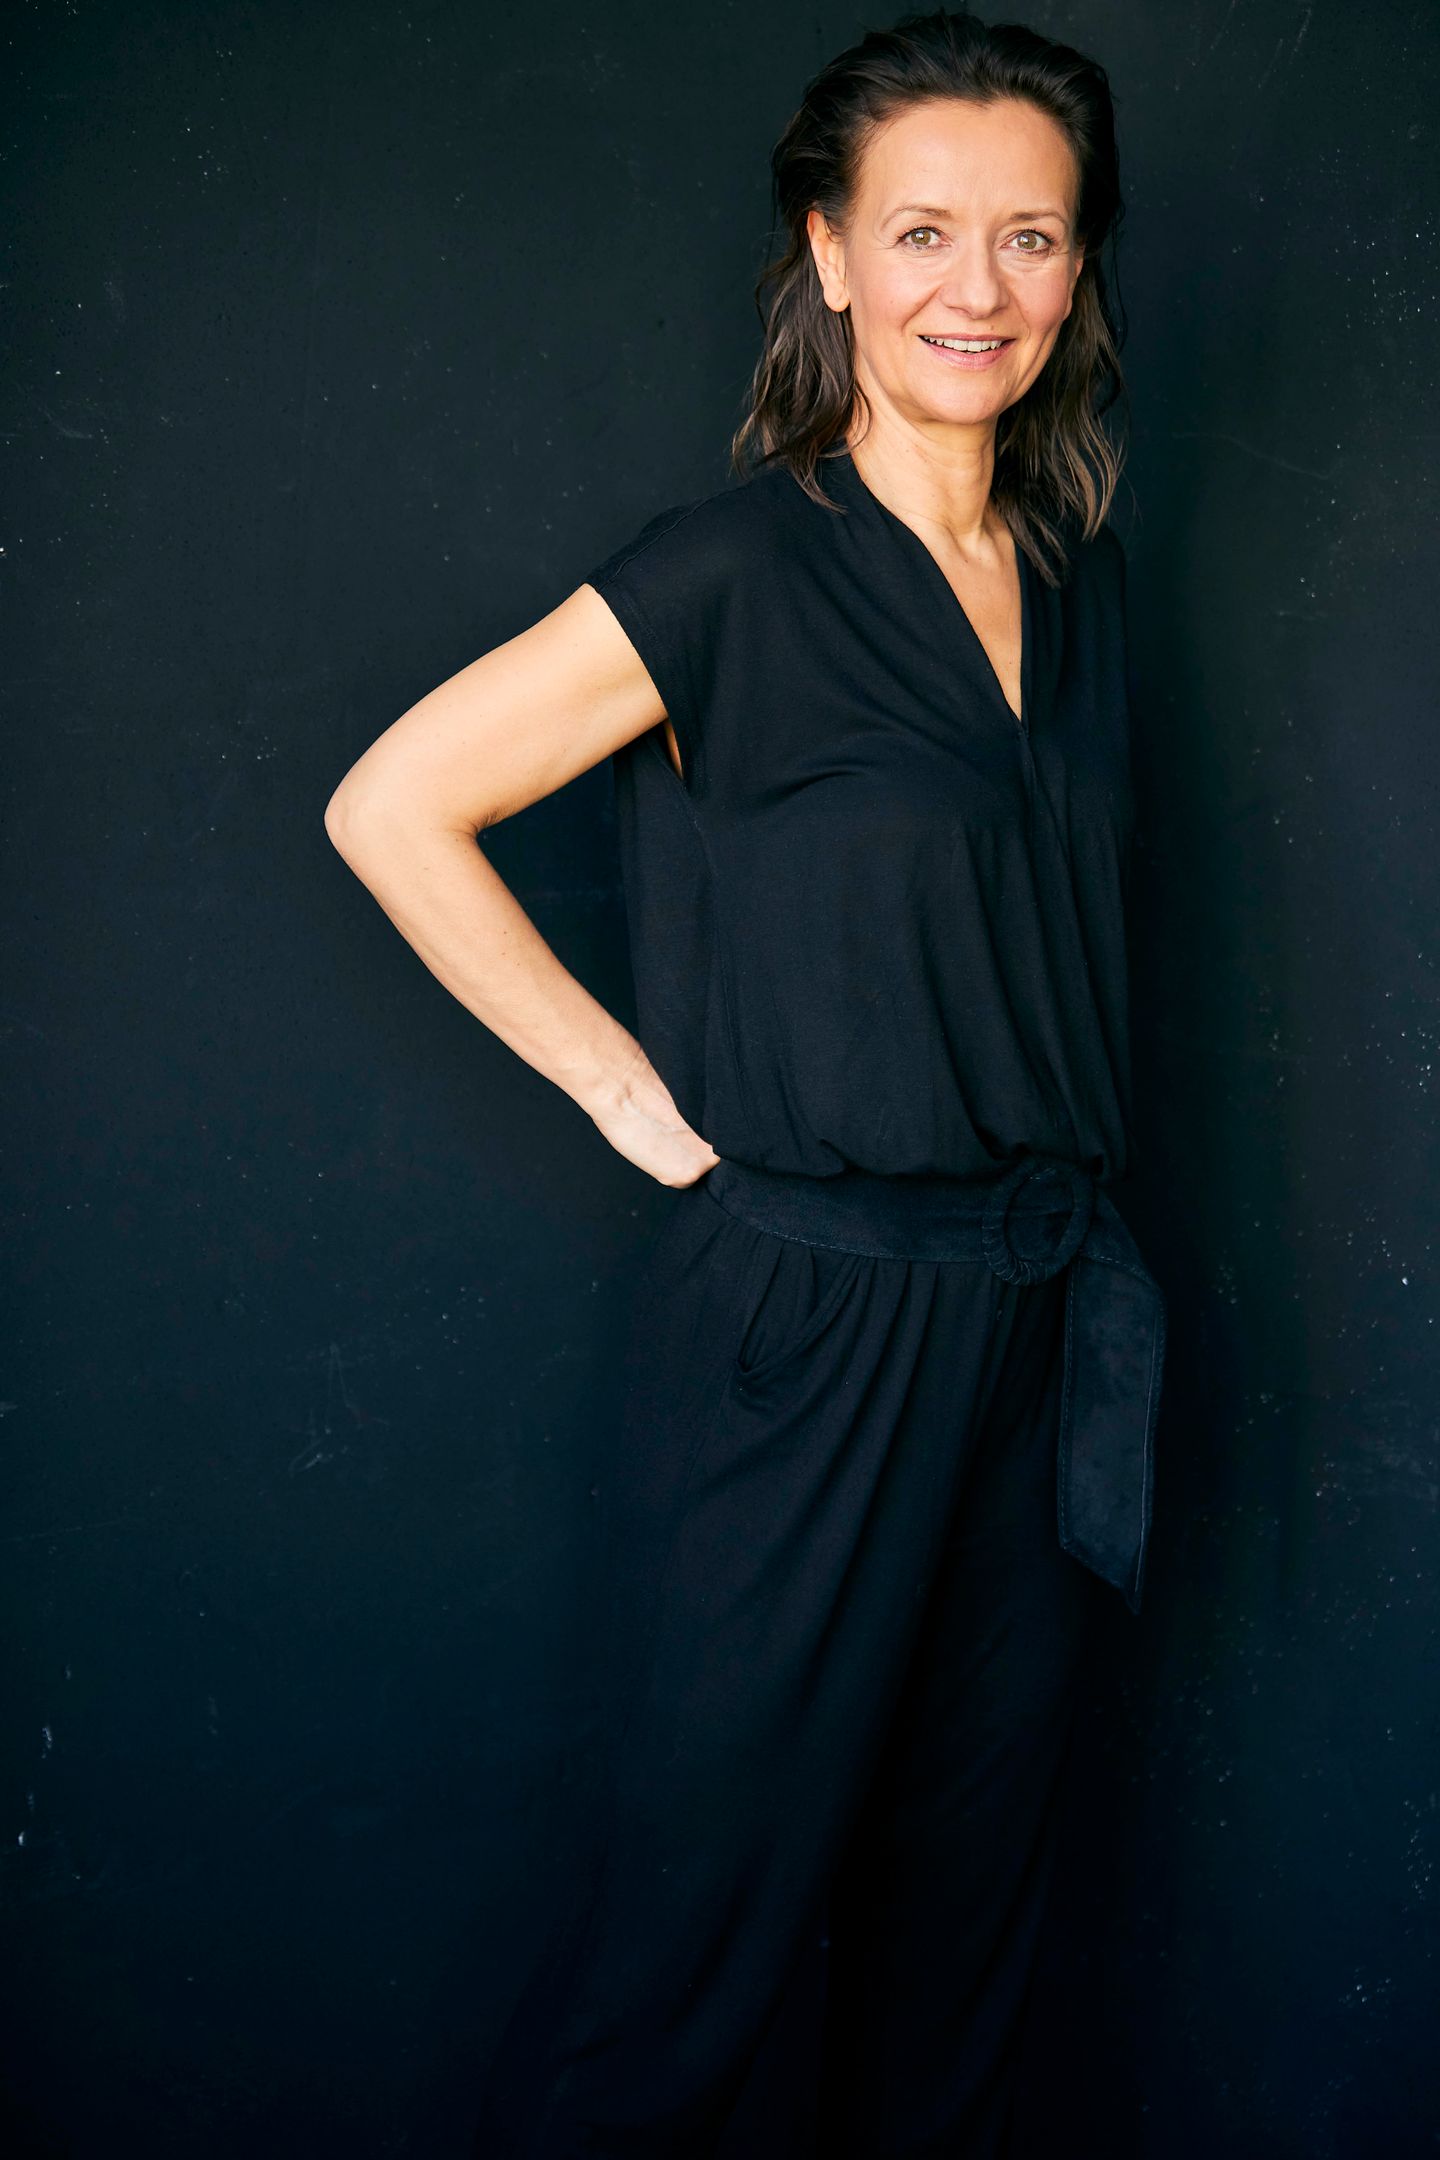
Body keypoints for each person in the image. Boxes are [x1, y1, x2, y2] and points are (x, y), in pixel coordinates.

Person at [325, 7, 1167, 2153]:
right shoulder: (734, 573)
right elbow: (396, 804)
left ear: (1077, 267)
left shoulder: (1074, 585)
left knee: (965, 1957)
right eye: (923, 232)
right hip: (808, 1328)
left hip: (1043, 1322)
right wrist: (621, 1085)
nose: (978, 287)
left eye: (1031, 236)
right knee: (702, 1954)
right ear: (830, 254)